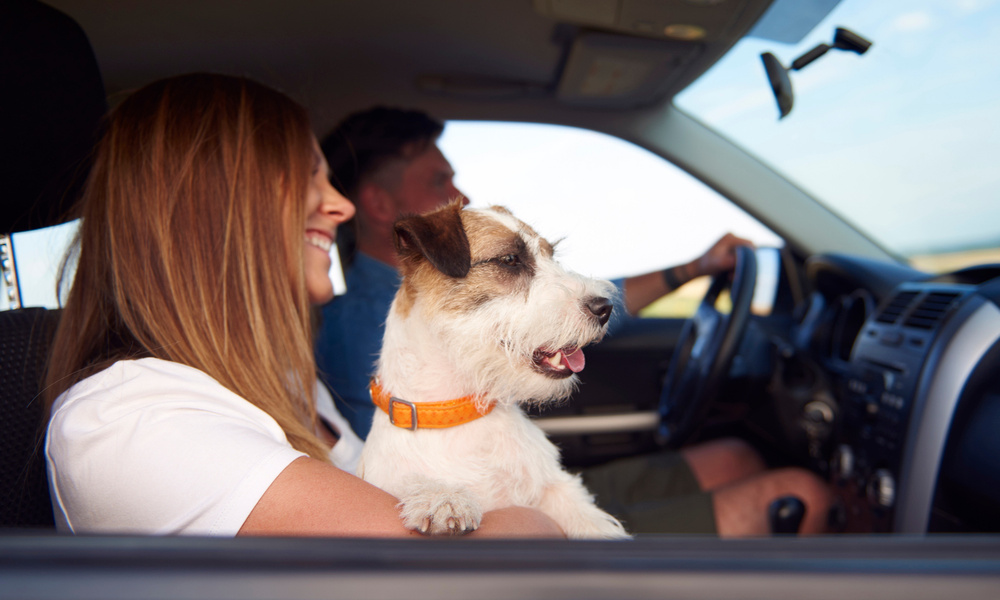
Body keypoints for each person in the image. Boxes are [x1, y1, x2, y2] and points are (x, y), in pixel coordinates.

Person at [42, 74, 563, 538]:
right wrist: (541, 517)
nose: (343, 205)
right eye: (310, 178)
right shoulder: (129, 423)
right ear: (214, 207)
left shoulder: (291, 384)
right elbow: (440, 565)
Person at [314, 106, 831, 536]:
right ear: (381, 204)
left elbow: (564, 312)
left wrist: (689, 270)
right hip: (468, 515)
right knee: (801, 494)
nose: (462, 197)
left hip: (521, 480)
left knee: (738, 454)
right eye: (440, 180)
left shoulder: (467, 288)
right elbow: (400, 467)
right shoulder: (367, 323)